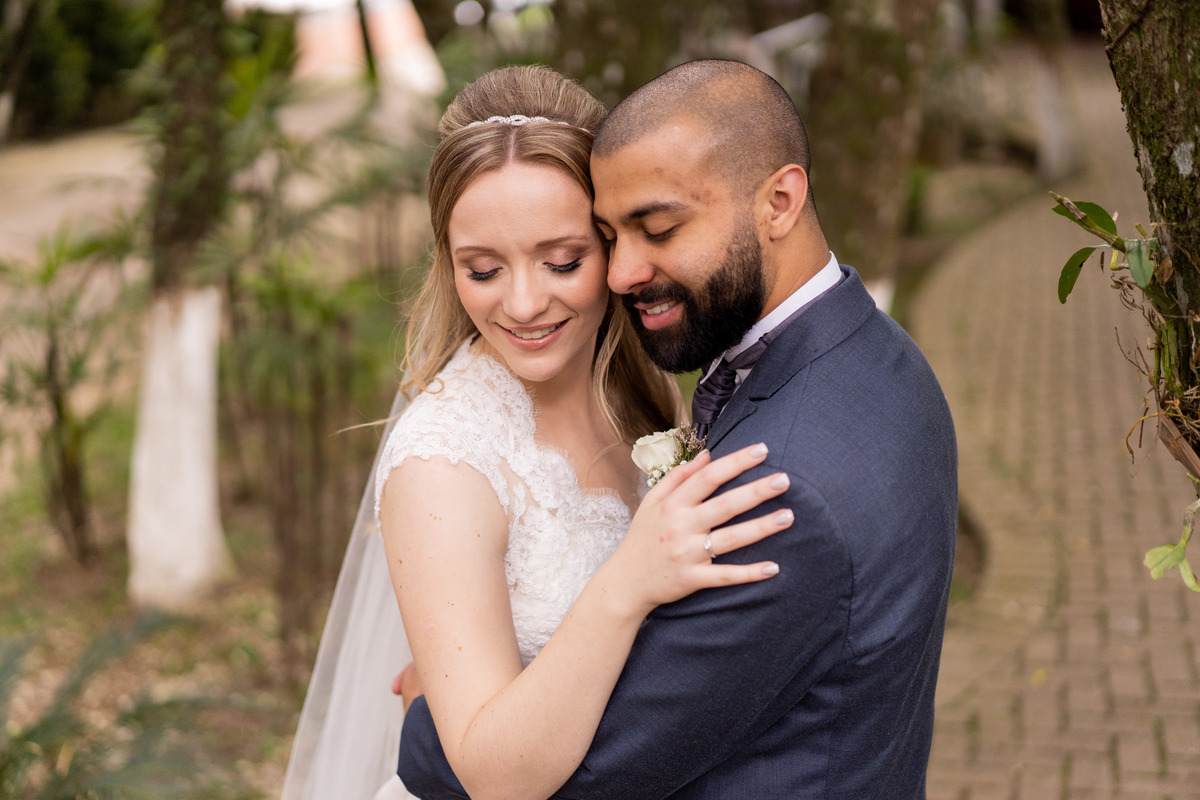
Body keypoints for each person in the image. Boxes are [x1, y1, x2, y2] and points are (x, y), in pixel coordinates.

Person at [396, 59, 959, 799]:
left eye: (569, 258)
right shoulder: (884, 358)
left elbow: (596, 772)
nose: (628, 270)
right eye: (482, 268)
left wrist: (427, 724)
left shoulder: (777, 482)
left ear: (780, 200)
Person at [280, 64, 793, 800]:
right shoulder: (443, 461)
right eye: (483, 269)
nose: (524, 304)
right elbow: (495, 775)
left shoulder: (638, 380)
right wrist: (626, 584)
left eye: (562, 261)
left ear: (613, 243)